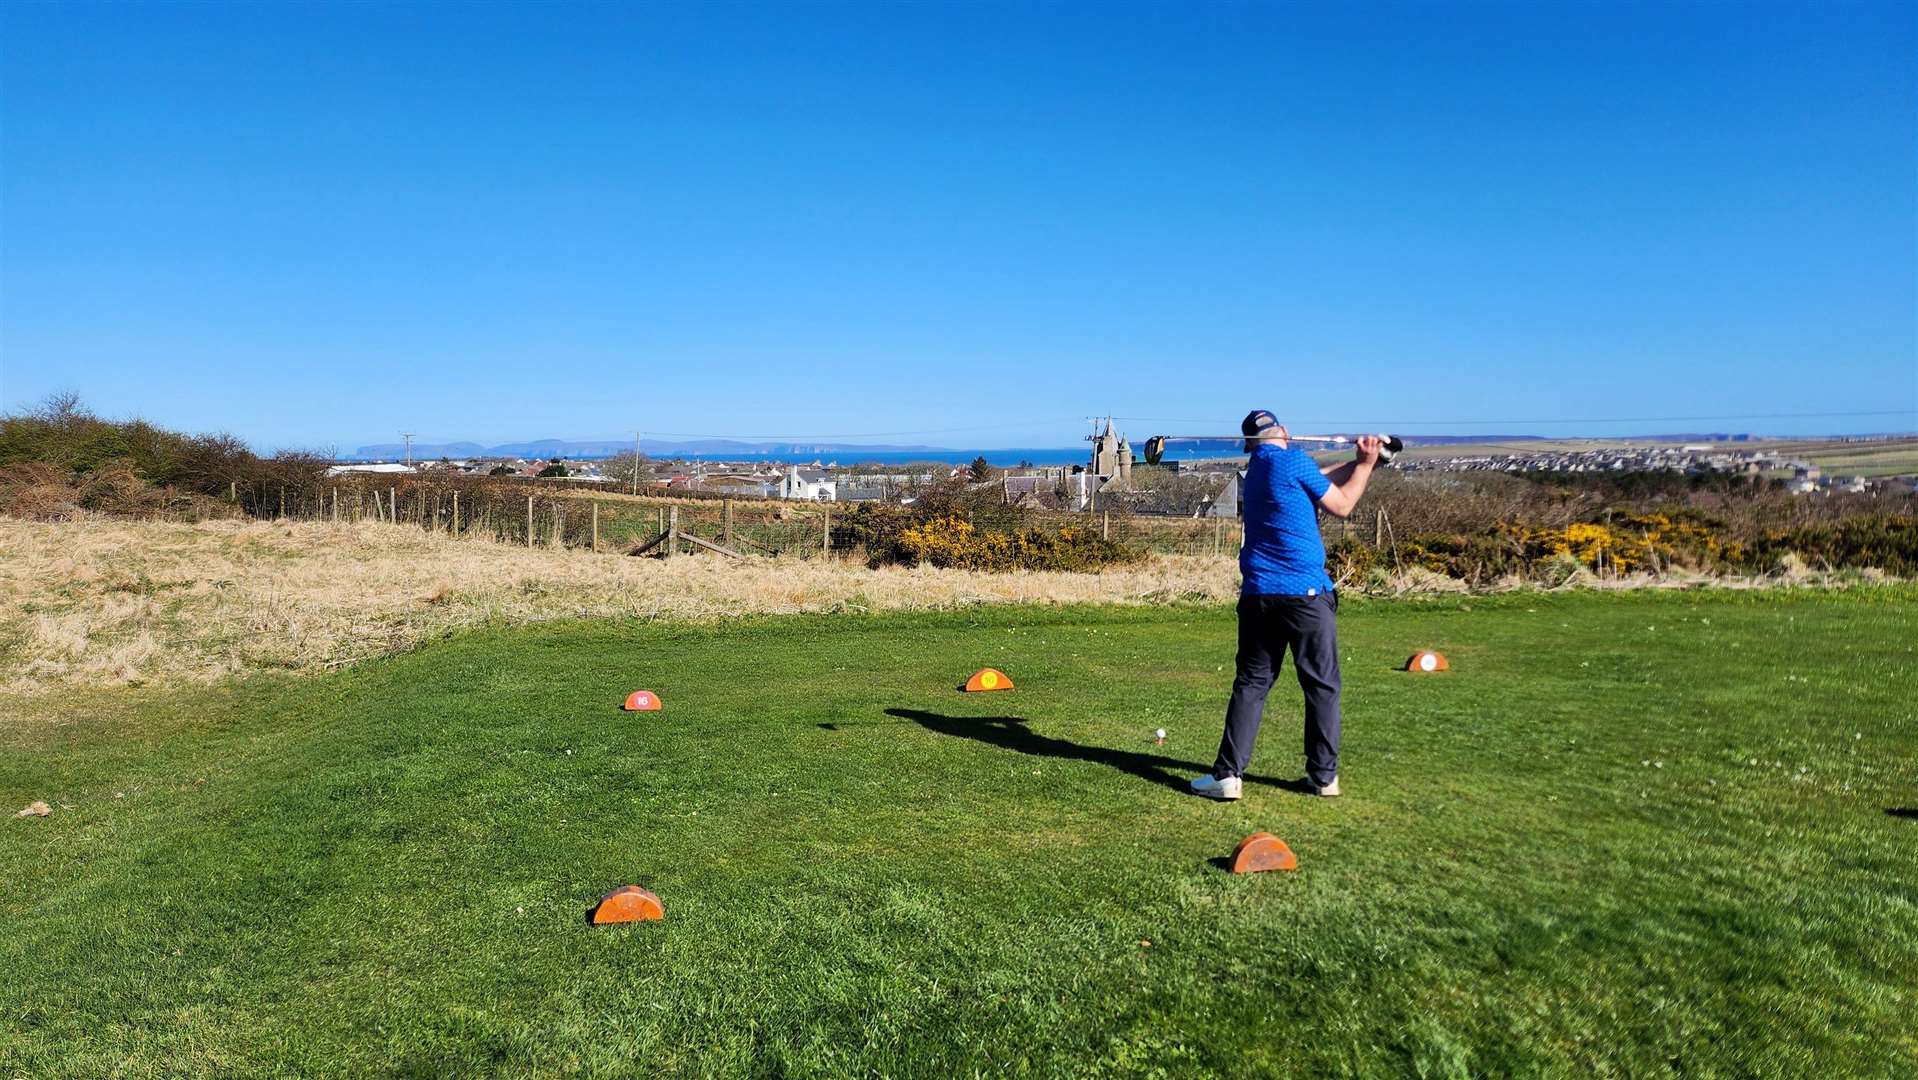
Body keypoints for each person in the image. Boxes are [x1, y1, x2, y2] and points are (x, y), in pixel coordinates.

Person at [1190, 410, 1381, 800]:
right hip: (1306, 595)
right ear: (1286, 433)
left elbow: (1316, 481)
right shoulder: (1295, 461)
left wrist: (1359, 462)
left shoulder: (1259, 470)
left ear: (1249, 444)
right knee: (1321, 685)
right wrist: (1366, 466)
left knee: (1252, 684)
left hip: (1260, 594)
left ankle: (1228, 775)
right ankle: (1323, 777)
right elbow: (1341, 504)